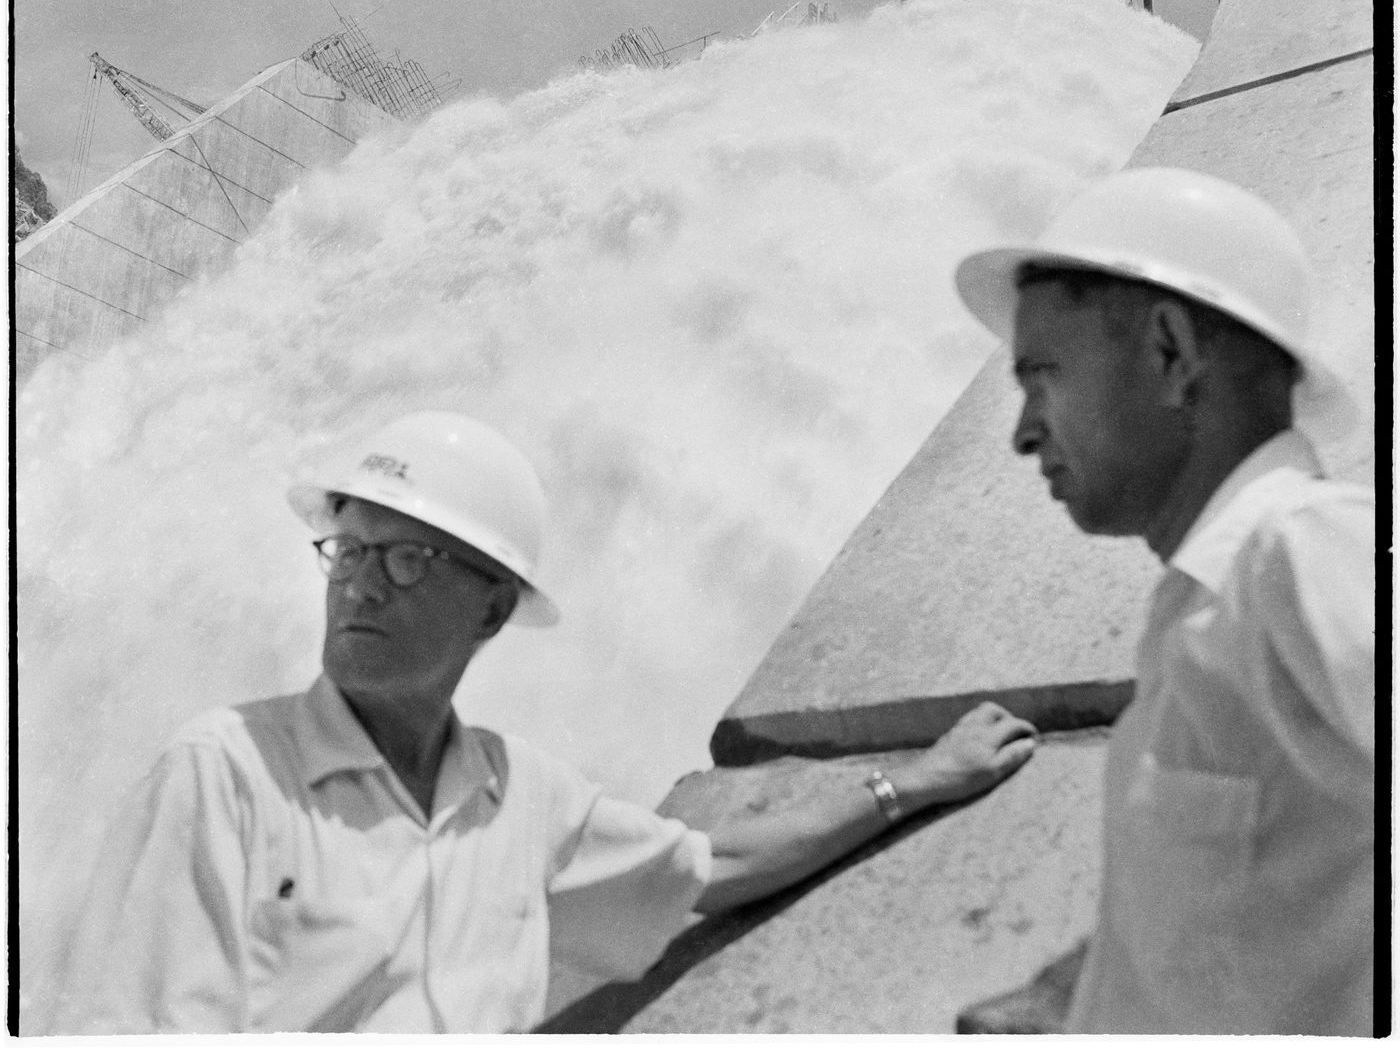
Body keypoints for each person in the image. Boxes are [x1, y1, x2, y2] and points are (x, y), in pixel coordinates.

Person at [50, 410, 1038, 1033]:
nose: (359, 587)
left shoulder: (516, 799)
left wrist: (911, 782)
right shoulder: (221, 774)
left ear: (489, 610)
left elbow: (713, 868)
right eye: (347, 553)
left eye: (405, 561)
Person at [952, 166, 1374, 1034]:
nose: (1024, 431)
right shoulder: (1210, 600)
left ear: (1173, 353)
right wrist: (1077, 990)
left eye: (1043, 377)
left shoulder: (1302, 550)